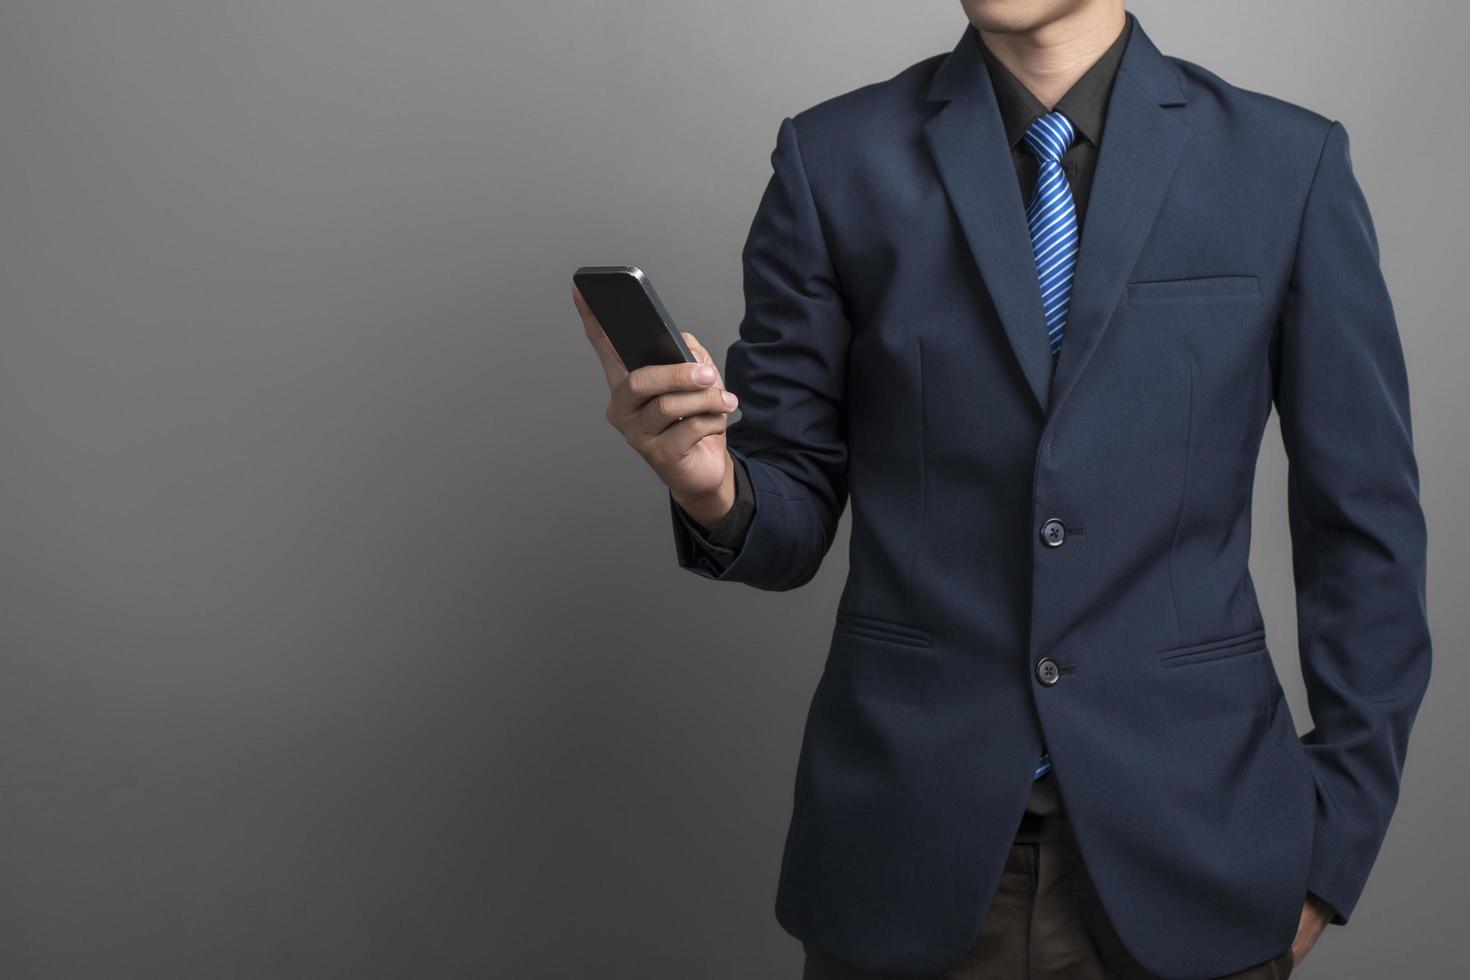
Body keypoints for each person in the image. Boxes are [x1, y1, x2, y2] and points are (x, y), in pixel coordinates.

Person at [572, 2, 1431, 977]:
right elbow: (792, 508)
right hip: (903, 857)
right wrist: (712, 486)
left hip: (1204, 858)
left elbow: (1365, 531)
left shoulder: (1287, 163)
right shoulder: (833, 159)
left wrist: (1333, 845)